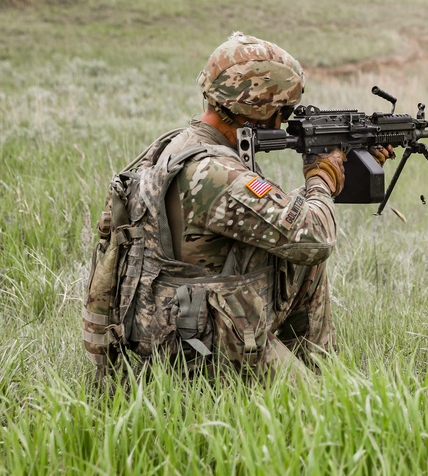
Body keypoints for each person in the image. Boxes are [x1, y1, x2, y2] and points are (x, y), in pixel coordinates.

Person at [83, 32, 390, 377]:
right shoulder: (214, 173)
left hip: (181, 323)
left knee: (300, 260)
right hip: (199, 346)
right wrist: (321, 178)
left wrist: (339, 169)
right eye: (282, 111)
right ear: (254, 109)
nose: (285, 122)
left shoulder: (182, 144)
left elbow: (280, 222)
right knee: (320, 415)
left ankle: (320, 370)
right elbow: (314, 237)